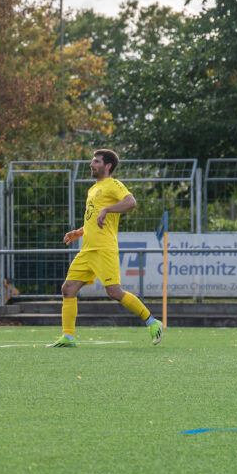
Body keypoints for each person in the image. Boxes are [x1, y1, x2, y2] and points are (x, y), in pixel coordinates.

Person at [51, 149, 163, 347]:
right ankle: (68, 336)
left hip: (104, 249)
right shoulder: (93, 189)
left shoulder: (113, 184)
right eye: (92, 161)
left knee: (114, 292)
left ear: (107, 166)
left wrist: (107, 209)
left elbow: (131, 202)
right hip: (87, 249)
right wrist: (79, 232)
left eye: (96, 161)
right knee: (68, 289)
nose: (91, 164)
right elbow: (95, 220)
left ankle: (153, 323)